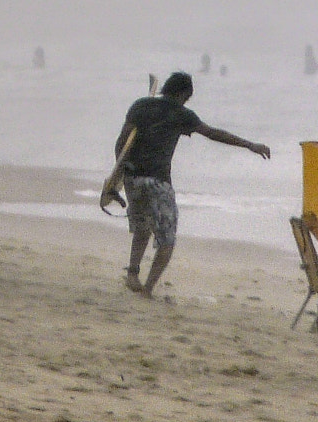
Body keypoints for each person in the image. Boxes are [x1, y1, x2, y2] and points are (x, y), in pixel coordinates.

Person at [113, 70, 270, 297]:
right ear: (182, 94)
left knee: (142, 227)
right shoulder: (181, 114)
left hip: (133, 179)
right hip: (158, 182)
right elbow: (212, 133)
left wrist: (119, 176)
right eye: (186, 98)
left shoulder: (140, 106)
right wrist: (249, 145)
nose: (186, 101)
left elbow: (122, 143)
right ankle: (147, 289)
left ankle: (132, 274)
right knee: (166, 241)